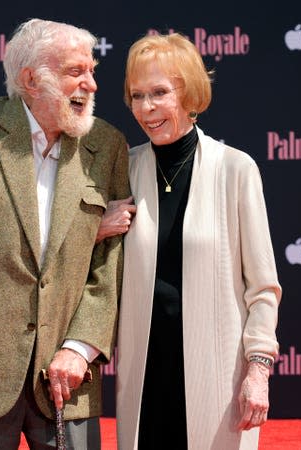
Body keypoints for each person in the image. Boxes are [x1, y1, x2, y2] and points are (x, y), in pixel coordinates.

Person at [0, 18, 129, 449]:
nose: (91, 84)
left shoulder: (107, 145)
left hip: (69, 376)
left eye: (92, 71)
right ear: (31, 79)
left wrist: (81, 347)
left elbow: (110, 268)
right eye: (75, 72)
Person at [114, 33, 282, 449]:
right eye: (137, 95)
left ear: (189, 95)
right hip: (144, 378)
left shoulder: (236, 170)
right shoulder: (125, 168)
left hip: (217, 377)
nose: (145, 108)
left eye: (159, 93)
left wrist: (257, 372)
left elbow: (262, 289)